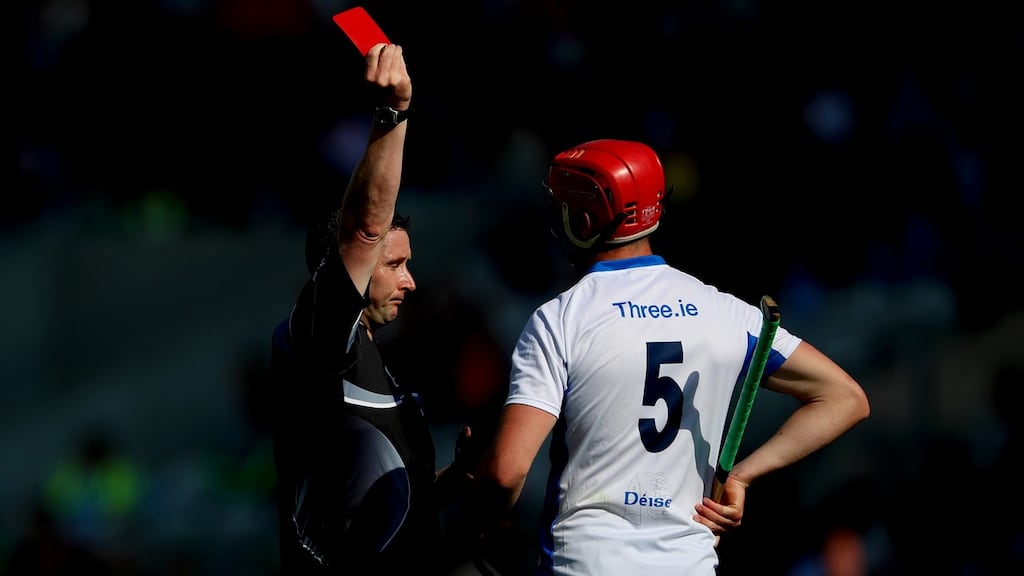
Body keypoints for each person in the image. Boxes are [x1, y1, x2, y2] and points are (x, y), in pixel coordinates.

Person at [470, 139, 871, 575]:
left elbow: (507, 472)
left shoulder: (560, 318)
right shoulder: (728, 314)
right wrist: (741, 476)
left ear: (584, 219)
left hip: (585, 561)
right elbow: (845, 397)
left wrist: (476, 522)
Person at [269, 42, 477, 574]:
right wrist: (394, 114)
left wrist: (457, 478)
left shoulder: (367, 360)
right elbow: (363, 228)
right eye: (394, 264)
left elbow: (382, 508)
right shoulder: (319, 339)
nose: (410, 281)